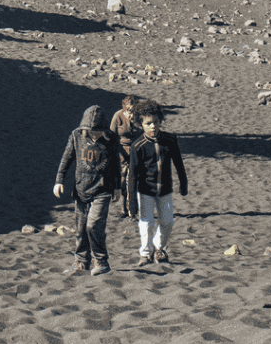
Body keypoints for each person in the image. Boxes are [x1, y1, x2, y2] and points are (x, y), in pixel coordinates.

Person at [54, 105, 120, 275]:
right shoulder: (76, 135)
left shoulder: (111, 139)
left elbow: (115, 165)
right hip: (81, 188)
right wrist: (59, 180)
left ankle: (101, 261)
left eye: (97, 131)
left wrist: (118, 187)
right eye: (90, 131)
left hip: (103, 189)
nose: (93, 134)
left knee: (94, 225)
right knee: (81, 227)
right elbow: (67, 158)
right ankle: (82, 261)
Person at [127, 99, 187, 267]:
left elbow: (178, 163)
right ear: (141, 124)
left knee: (168, 221)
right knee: (146, 222)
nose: (153, 126)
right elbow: (132, 175)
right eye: (148, 123)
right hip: (145, 190)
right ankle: (145, 254)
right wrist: (132, 201)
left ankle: (158, 246)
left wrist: (183, 182)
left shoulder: (170, 140)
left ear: (160, 121)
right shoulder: (137, 146)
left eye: (155, 122)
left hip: (166, 190)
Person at [110, 95, 138, 218]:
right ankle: (123, 209)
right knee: (122, 180)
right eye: (129, 110)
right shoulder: (118, 116)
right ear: (124, 108)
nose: (131, 113)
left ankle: (132, 210)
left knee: (133, 181)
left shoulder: (139, 117)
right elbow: (111, 135)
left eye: (133, 110)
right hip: (121, 152)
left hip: (136, 152)